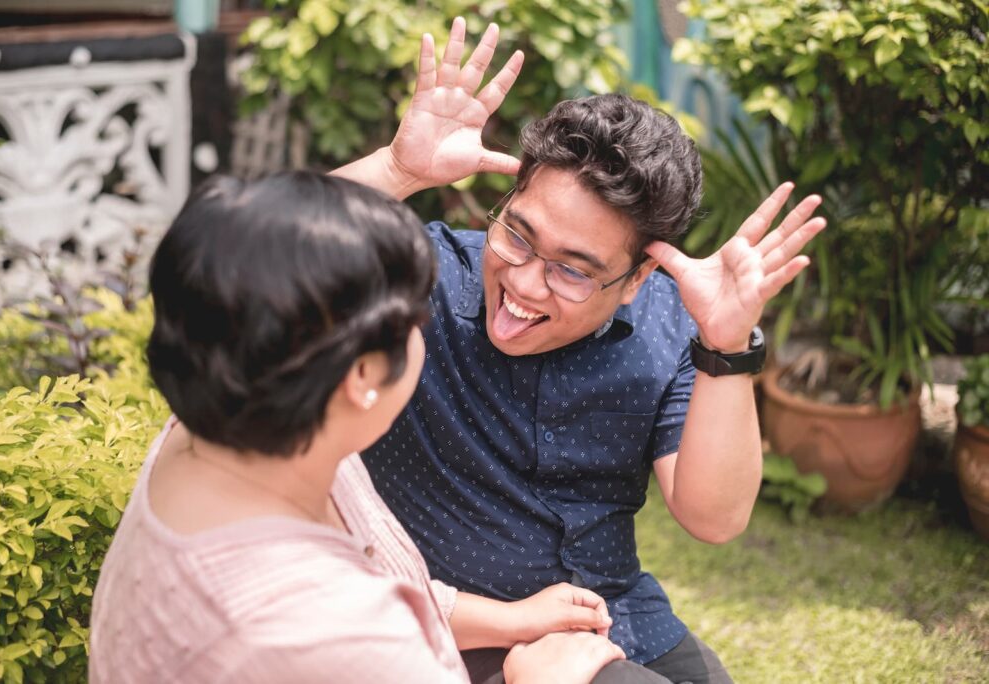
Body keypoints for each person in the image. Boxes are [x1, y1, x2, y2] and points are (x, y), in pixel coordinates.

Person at [336, 17, 827, 683]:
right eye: (518, 234)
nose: (524, 282)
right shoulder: (424, 275)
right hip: (448, 637)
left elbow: (714, 517)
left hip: (619, 622)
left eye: (572, 269)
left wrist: (726, 346)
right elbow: (249, 263)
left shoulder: (671, 325)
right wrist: (395, 169)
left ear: (636, 280)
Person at [88, 170, 645, 683]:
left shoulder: (235, 428)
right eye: (414, 319)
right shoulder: (333, 630)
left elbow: (239, 265)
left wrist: (508, 621)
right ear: (361, 374)